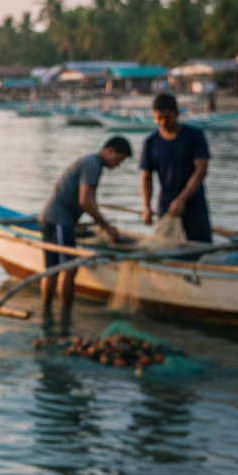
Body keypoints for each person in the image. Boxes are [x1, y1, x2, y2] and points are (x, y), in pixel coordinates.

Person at [38, 136, 131, 311]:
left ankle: (46, 311)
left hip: (51, 217)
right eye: (119, 159)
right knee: (69, 268)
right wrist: (105, 226)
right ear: (109, 150)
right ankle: (65, 315)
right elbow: (85, 202)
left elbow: (86, 200)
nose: (118, 164)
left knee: (52, 270)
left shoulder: (91, 163)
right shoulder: (92, 164)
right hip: (59, 218)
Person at [140, 92, 212, 243]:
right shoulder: (150, 142)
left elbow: (201, 171)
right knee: (165, 247)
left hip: (194, 203)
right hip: (166, 205)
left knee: (201, 247)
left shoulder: (195, 136)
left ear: (177, 114)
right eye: (159, 118)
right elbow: (146, 177)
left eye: (167, 117)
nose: (163, 122)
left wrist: (181, 200)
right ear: (154, 116)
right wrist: (147, 207)